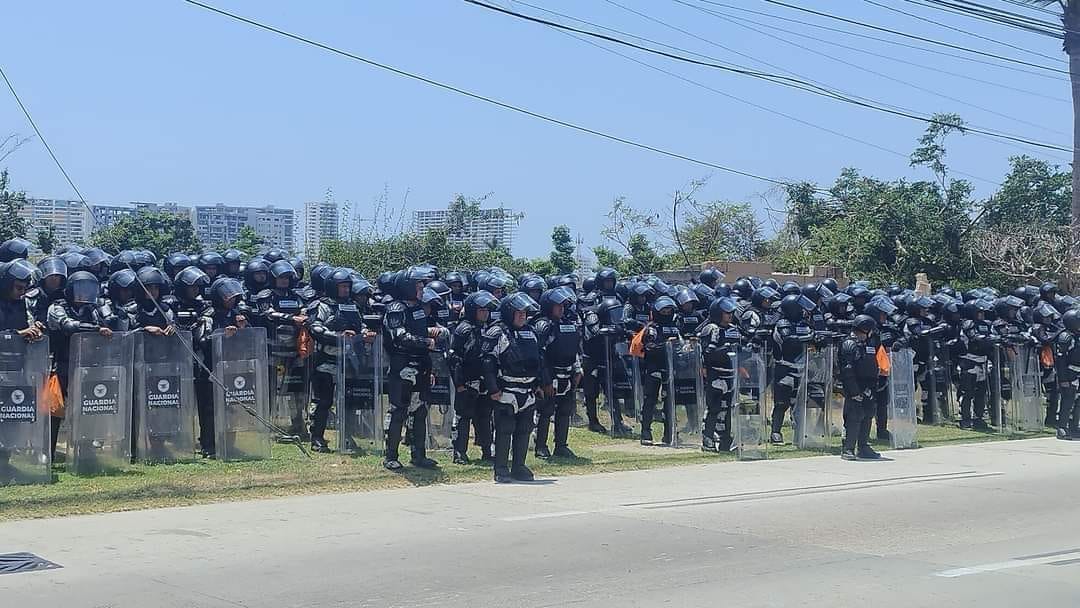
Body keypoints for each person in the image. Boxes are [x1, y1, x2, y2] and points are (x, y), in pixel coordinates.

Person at [47, 271, 124, 456]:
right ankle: (48, 453)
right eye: (80, 289)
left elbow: (111, 325)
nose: (85, 293)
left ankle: (86, 452)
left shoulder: (93, 309)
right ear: (70, 290)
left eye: (89, 289)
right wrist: (97, 329)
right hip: (62, 366)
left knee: (87, 408)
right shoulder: (57, 307)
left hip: (87, 366)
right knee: (54, 411)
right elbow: (68, 326)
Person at [307, 268, 374, 452]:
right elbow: (315, 328)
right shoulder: (321, 305)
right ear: (332, 287)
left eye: (347, 287)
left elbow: (362, 326)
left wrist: (366, 334)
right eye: (342, 287)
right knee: (324, 401)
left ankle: (347, 437)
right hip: (325, 360)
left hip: (349, 361)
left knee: (348, 402)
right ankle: (317, 438)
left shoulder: (352, 306)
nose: (345, 290)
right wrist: (338, 336)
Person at [481, 292, 546, 483]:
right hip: (506, 391)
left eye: (525, 313)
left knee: (525, 429)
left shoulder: (531, 332)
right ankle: (501, 468)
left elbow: (539, 360)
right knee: (505, 429)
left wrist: (539, 384)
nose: (522, 316)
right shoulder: (497, 332)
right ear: (509, 313)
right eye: (518, 312)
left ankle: (519, 466)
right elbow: (487, 362)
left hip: (528, 391)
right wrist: (493, 389)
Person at [382, 267, 440, 471]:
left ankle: (419, 455)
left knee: (420, 411)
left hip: (421, 364)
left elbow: (422, 333)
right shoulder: (395, 308)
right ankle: (390, 456)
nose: (422, 288)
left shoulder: (417, 308)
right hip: (401, 365)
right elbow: (399, 336)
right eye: (418, 284)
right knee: (398, 411)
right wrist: (426, 342)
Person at [193, 278, 249, 457]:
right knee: (209, 409)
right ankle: (208, 445)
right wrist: (221, 335)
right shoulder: (208, 315)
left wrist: (243, 328)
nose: (231, 300)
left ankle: (229, 444)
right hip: (209, 369)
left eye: (233, 297)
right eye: (227, 297)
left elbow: (251, 339)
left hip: (232, 368)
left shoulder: (237, 313)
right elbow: (201, 340)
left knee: (231, 408)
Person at [533, 287, 581, 459]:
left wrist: (577, 369)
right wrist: (545, 380)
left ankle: (561, 445)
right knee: (545, 412)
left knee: (565, 411)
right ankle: (540, 446)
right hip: (550, 376)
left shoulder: (568, 323)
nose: (562, 308)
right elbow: (538, 354)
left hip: (567, 375)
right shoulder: (543, 325)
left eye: (564, 305)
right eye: (557, 305)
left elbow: (575, 349)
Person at [769, 294, 816, 444]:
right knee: (782, 402)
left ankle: (800, 433)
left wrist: (817, 338)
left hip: (802, 367)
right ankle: (775, 432)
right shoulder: (783, 323)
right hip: (784, 367)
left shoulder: (803, 323)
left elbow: (812, 335)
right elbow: (789, 341)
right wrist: (808, 338)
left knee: (799, 401)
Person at [698, 296, 740, 452]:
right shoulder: (711, 329)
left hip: (731, 374)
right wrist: (726, 349)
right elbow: (707, 354)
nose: (729, 315)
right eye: (726, 312)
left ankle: (726, 442)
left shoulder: (734, 329)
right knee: (714, 408)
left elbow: (743, 348)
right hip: (715, 374)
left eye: (731, 312)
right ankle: (707, 439)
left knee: (728, 410)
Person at [838, 315, 882, 460]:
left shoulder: (868, 343)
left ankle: (863, 446)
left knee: (868, 414)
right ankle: (848, 448)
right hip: (855, 385)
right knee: (854, 416)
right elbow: (847, 370)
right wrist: (854, 391)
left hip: (869, 385)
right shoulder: (849, 344)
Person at [638, 296, 681, 446]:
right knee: (650, 400)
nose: (667, 312)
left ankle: (669, 433)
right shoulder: (651, 328)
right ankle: (645, 432)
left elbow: (680, 346)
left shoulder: (675, 327)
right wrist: (666, 345)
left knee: (670, 401)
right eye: (664, 310)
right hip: (654, 368)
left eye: (669, 310)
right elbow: (649, 347)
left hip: (671, 368)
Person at [1054, 309, 1080, 440]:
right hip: (1069, 373)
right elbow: (1061, 360)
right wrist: (1063, 378)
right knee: (1067, 401)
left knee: (1078, 401)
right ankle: (1062, 427)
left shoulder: (1077, 336)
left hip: (1078, 372)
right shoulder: (1066, 337)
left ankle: (1074, 426)